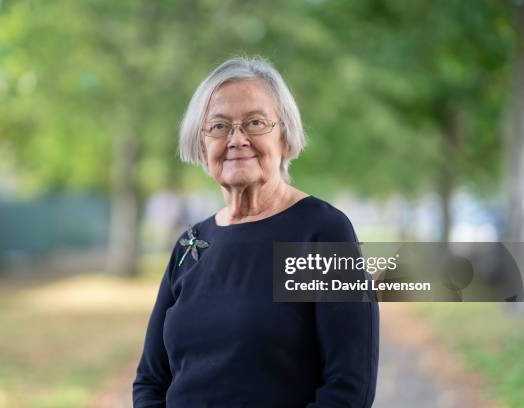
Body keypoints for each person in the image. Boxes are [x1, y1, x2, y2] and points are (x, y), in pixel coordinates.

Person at [133, 56, 379, 407]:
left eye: (255, 122)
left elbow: (348, 389)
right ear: (203, 145)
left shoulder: (321, 233)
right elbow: (150, 380)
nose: (237, 139)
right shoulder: (191, 245)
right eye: (219, 126)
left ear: (285, 137)